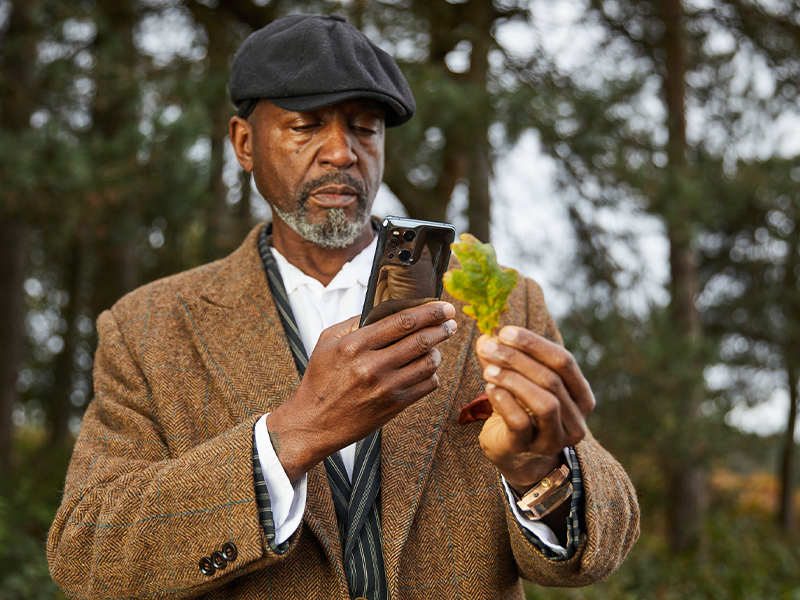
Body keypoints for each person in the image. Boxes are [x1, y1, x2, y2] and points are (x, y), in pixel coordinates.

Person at [47, 13, 639, 600]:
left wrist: (538, 471)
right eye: (305, 126)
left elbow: (604, 541)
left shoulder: (500, 301)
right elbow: (86, 556)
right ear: (244, 144)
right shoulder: (147, 327)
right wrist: (292, 434)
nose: (341, 152)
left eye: (365, 128)